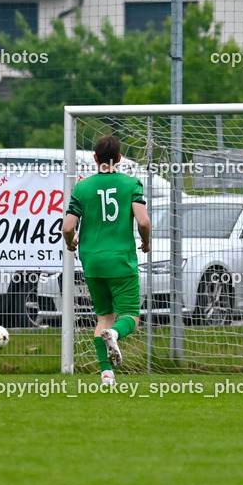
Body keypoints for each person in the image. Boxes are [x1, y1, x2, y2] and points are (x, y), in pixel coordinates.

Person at [62, 134, 151, 385]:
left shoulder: (82, 187)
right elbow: (143, 221)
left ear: (95, 158)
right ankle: (114, 334)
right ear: (119, 158)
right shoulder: (131, 183)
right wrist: (146, 241)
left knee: (103, 317)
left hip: (92, 261)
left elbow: (67, 227)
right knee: (130, 316)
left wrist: (70, 242)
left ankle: (106, 374)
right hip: (121, 260)